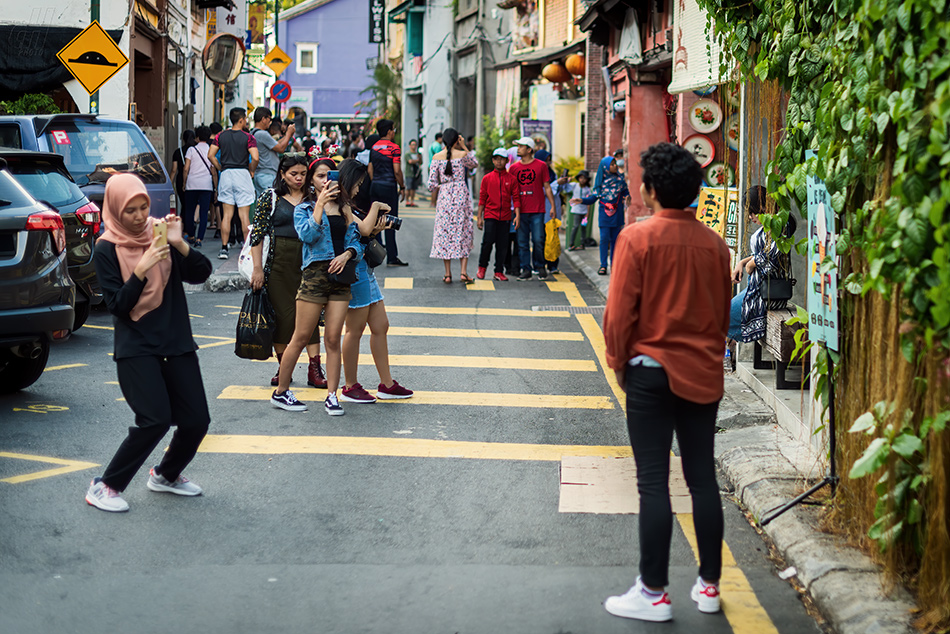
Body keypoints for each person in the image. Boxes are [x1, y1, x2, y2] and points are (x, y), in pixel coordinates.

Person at [602, 142, 731, 622]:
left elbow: (618, 317)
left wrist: (618, 363)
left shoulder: (636, 239)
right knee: (702, 479)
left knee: (653, 483)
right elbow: (722, 318)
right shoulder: (716, 245)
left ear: (650, 189)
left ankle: (654, 592)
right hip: (703, 374)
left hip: (649, 374)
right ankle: (710, 586)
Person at [85, 174, 213, 513]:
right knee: (154, 419)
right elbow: (118, 306)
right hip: (137, 345)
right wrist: (142, 267)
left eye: (144, 207)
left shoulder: (160, 233)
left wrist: (180, 242)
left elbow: (201, 273)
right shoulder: (106, 248)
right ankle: (105, 485)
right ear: (114, 210)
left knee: (197, 420)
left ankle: (166, 475)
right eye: (131, 211)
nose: (141, 216)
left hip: (175, 340)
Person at [270, 154, 364, 415]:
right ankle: (281, 392)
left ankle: (333, 396)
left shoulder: (345, 208)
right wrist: (319, 205)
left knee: (333, 339)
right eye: (320, 176)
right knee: (300, 337)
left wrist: (347, 255)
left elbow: (356, 242)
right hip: (314, 277)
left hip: (341, 277)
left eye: (329, 176)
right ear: (312, 181)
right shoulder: (304, 208)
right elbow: (308, 235)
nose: (325, 181)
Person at [337, 159, 415, 403]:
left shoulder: (349, 204)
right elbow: (360, 231)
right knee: (354, 330)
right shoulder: (339, 203)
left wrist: (376, 227)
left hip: (365, 271)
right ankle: (350, 386)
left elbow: (364, 231)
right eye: (357, 184)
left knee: (381, 326)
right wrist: (376, 207)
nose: (359, 189)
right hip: (354, 272)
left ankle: (387, 384)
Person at [248, 152, 327, 389]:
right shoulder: (269, 198)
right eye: (294, 174)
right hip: (278, 265)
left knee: (310, 318)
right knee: (282, 317)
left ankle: (315, 369)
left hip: (309, 263)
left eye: (304, 174)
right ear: (282, 174)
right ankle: (284, 367)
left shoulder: (315, 198)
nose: (299, 178)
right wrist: (257, 269)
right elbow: (257, 235)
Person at [728, 185, 797, 345]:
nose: (751, 216)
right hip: (759, 289)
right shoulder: (768, 226)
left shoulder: (782, 224)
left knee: (725, 315)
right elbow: (763, 251)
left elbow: (772, 256)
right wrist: (743, 262)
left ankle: (726, 351)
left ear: (763, 207)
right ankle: (728, 350)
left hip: (770, 293)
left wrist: (752, 263)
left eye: (752, 211)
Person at [428, 128, 479, 284]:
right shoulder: (463, 155)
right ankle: (463, 272)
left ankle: (448, 274)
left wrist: (442, 186)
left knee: (446, 233)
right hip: (461, 195)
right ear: (457, 139)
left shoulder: (436, 157)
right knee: (463, 231)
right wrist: (464, 147)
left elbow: (431, 184)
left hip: (444, 196)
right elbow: (474, 164)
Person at [208, 107, 259, 260]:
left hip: (226, 175)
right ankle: (247, 249)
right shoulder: (248, 137)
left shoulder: (220, 136)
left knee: (227, 215)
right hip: (242, 174)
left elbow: (210, 155)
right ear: (242, 120)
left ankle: (224, 249)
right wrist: (252, 170)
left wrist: (220, 168)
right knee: (244, 216)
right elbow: (255, 158)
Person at [509, 136, 556, 281]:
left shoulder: (541, 166)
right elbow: (510, 190)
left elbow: (547, 187)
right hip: (520, 211)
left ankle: (540, 266)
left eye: (521, 146)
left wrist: (552, 206)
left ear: (529, 150)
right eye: (518, 146)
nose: (518, 149)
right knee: (522, 242)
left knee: (538, 239)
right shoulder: (514, 168)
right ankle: (525, 269)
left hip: (537, 210)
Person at [574, 155, 630, 275]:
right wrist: (582, 200)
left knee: (615, 240)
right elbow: (594, 198)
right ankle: (603, 265)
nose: (615, 166)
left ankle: (614, 265)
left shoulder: (620, 180)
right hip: (604, 215)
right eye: (612, 164)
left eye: (615, 164)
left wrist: (627, 197)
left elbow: (625, 191)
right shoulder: (600, 182)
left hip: (617, 214)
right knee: (604, 239)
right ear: (605, 167)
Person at [476, 148, 521, 281]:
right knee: (487, 243)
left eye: (502, 159)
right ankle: (482, 268)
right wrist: (479, 217)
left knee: (503, 245)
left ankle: (499, 271)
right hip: (490, 215)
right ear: (493, 160)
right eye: (496, 159)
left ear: (507, 161)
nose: (499, 161)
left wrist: (517, 215)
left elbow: (516, 198)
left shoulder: (512, 179)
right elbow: (482, 198)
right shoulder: (487, 178)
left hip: (506, 216)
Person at [371, 119, 408, 266]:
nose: (394, 132)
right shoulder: (394, 148)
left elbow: (370, 169)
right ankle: (392, 257)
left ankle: (374, 255)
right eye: (393, 129)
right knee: (391, 222)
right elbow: (397, 171)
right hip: (389, 187)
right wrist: (402, 186)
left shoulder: (374, 147)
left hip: (375, 187)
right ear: (388, 131)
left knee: (376, 221)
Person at [182, 125, 216, 249]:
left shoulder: (191, 150)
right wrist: (215, 188)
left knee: (189, 211)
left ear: (197, 137)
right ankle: (199, 239)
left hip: (192, 184)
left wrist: (184, 183)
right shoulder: (211, 150)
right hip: (206, 185)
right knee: (203, 213)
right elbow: (213, 172)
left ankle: (191, 235)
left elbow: (186, 169)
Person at [251, 107, 296, 197]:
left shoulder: (254, 132)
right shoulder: (262, 134)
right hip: (267, 174)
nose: (270, 122)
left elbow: (275, 145)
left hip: (261, 174)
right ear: (263, 119)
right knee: (271, 204)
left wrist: (288, 135)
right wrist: (288, 133)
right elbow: (280, 148)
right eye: (269, 119)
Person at [170, 129, 194, 230]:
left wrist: (170, 183)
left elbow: (174, 170)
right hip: (192, 178)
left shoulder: (177, 152)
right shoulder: (195, 150)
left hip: (180, 180)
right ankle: (189, 227)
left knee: (184, 203)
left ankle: (182, 226)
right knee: (190, 205)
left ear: (183, 139)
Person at [567, 170, 592, 251]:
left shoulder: (588, 189)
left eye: (584, 178)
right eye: (581, 178)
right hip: (576, 210)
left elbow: (588, 201)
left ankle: (582, 244)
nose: (582, 180)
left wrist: (587, 213)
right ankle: (571, 244)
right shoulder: (574, 185)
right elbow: (566, 188)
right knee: (575, 226)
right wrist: (567, 181)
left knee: (583, 227)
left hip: (584, 211)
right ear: (578, 178)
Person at [404, 139, 422, 207]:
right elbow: (410, 161)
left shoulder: (418, 154)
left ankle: (412, 201)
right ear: (410, 146)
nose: (414, 146)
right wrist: (417, 160)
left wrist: (419, 159)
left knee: (414, 188)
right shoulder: (407, 154)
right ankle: (407, 201)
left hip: (416, 173)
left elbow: (421, 162)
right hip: (409, 173)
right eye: (412, 145)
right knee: (408, 187)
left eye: (415, 145)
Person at [427, 132, 443, 207]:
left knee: (433, 184)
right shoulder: (437, 146)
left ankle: (432, 202)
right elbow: (440, 157)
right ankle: (433, 202)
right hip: (436, 167)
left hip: (430, 165)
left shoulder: (431, 145)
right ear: (439, 138)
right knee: (436, 186)